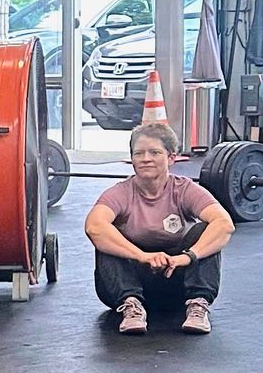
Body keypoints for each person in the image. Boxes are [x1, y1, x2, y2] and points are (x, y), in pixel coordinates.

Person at [85, 120, 232, 334]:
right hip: (127, 286)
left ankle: (197, 304)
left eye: (154, 152)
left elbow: (224, 224)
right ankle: (132, 307)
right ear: (132, 159)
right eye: (139, 153)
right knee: (107, 236)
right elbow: (94, 227)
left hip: (178, 284)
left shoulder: (184, 189)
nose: (146, 159)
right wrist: (142, 256)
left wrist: (186, 257)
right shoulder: (120, 193)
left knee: (205, 230)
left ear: (171, 157)